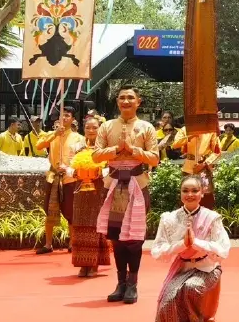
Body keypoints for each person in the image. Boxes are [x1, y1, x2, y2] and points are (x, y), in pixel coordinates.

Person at [93, 85, 161, 304]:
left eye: (130, 97)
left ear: (138, 102)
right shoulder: (107, 126)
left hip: (137, 184)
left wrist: (132, 150)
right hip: (113, 184)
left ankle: (132, 284)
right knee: (116, 237)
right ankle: (120, 283)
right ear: (117, 102)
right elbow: (95, 156)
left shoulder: (146, 127)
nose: (126, 101)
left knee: (134, 238)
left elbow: (155, 158)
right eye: (122, 97)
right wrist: (116, 149)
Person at [151, 174, 231, 322]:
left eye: (195, 190)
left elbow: (223, 248)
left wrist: (196, 243)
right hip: (183, 268)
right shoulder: (169, 218)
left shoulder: (212, 217)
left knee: (191, 287)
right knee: (168, 303)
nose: (190, 194)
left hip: (207, 268)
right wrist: (182, 245)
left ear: (202, 193)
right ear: (180, 193)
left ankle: (195, 321)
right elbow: (157, 249)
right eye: (185, 190)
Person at [35, 106, 85, 254]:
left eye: (67, 115)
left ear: (73, 119)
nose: (64, 118)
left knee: (71, 211)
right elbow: (39, 146)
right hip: (53, 176)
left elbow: (81, 157)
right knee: (49, 210)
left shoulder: (78, 138)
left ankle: (72, 242)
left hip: (70, 177)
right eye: (62, 115)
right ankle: (48, 244)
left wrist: (70, 168)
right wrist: (55, 134)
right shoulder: (51, 134)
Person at [71, 115, 111, 277]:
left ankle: (94, 263)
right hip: (80, 189)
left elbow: (112, 167)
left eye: (95, 127)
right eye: (88, 127)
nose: (91, 130)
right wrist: (74, 172)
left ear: (100, 129)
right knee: (80, 223)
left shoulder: (105, 147)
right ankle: (82, 263)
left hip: (98, 188)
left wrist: (100, 172)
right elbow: (69, 166)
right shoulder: (77, 147)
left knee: (96, 224)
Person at [170, 124, 222, 209]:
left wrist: (205, 163)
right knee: (187, 196)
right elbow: (175, 144)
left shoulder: (210, 131)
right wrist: (190, 136)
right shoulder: (185, 129)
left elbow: (217, 152)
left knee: (206, 197)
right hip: (188, 168)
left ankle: (205, 217)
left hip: (204, 167)